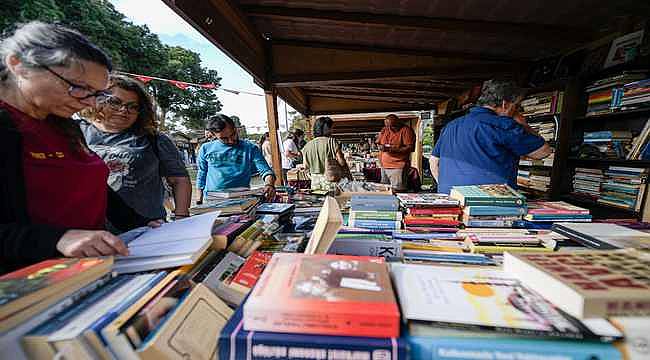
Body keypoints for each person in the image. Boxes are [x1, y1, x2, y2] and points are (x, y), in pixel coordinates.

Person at [0, 22, 155, 274]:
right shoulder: (7, 126)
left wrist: (142, 223)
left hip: (86, 270)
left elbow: (91, 185)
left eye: (97, 94)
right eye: (78, 87)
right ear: (18, 64)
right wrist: (57, 239)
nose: (89, 102)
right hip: (27, 281)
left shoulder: (64, 125)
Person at [79, 74, 192, 222]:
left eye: (133, 106)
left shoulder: (155, 139)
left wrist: (181, 218)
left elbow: (179, 180)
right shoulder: (72, 132)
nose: (124, 110)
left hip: (147, 228)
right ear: (97, 100)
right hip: (86, 231)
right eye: (115, 102)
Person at [430, 79, 552, 194]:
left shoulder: (451, 126)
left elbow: (434, 162)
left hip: (451, 202)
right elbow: (543, 151)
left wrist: (451, 192)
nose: (517, 111)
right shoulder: (503, 125)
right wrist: (524, 125)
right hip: (491, 206)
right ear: (505, 104)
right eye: (516, 106)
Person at [196, 114, 276, 201]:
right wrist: (199, 200)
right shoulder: (205, 148)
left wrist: (269, 185)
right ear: (214, 135)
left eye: (233, 134)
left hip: (242, 199)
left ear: (235, 128)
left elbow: (266, 171)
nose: (230, 140)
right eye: (224, 138)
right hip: (212, 199)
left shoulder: (250, 148)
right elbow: (202, 174)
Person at [302, 116, 352, 189]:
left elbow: (305, 166)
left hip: (315, 182)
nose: (332, 130)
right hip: (330, 179)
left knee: (319, 200)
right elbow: (342, 162)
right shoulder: (331, 141)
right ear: (326, 129)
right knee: (333, 199)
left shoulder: (307, 146)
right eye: (331, 128)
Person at [376, 114, 416, 191]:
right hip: (384, 165)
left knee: (397, 190)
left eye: (392, 126)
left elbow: (410, 148)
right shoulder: (386, 129)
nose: (390, 128)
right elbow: (378, 142)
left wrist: (391, 149)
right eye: (387, 126)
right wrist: (380, 145)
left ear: (398, 122)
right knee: (384, 190)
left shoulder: (406, 130)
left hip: (397, 166)